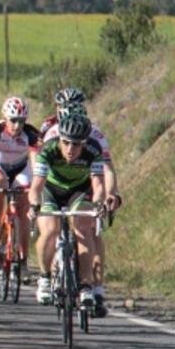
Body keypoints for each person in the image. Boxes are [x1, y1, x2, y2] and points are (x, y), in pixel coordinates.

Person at [29, 114, 108, 316]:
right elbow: (36, 186)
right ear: (59, 139)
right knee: (50, 230)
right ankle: (45, 277)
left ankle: (85, 286)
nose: (70, 149)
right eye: (66, 143)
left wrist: (98, 204)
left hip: (78, 191)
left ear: (84, 143)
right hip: (51, 191)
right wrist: (34, 205)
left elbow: (98, 185)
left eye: (76, 144)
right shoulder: (48, 149)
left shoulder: (93, 151)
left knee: (83, 228)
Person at [0, 97, 43, 302]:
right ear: (5, 118)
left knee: (23, 212)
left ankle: (23, 261)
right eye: (13, 120)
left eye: (21, 121)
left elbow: (35, 166)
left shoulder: (31, 134)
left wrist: (34, 189)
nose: (17, 126)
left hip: (20, 167)